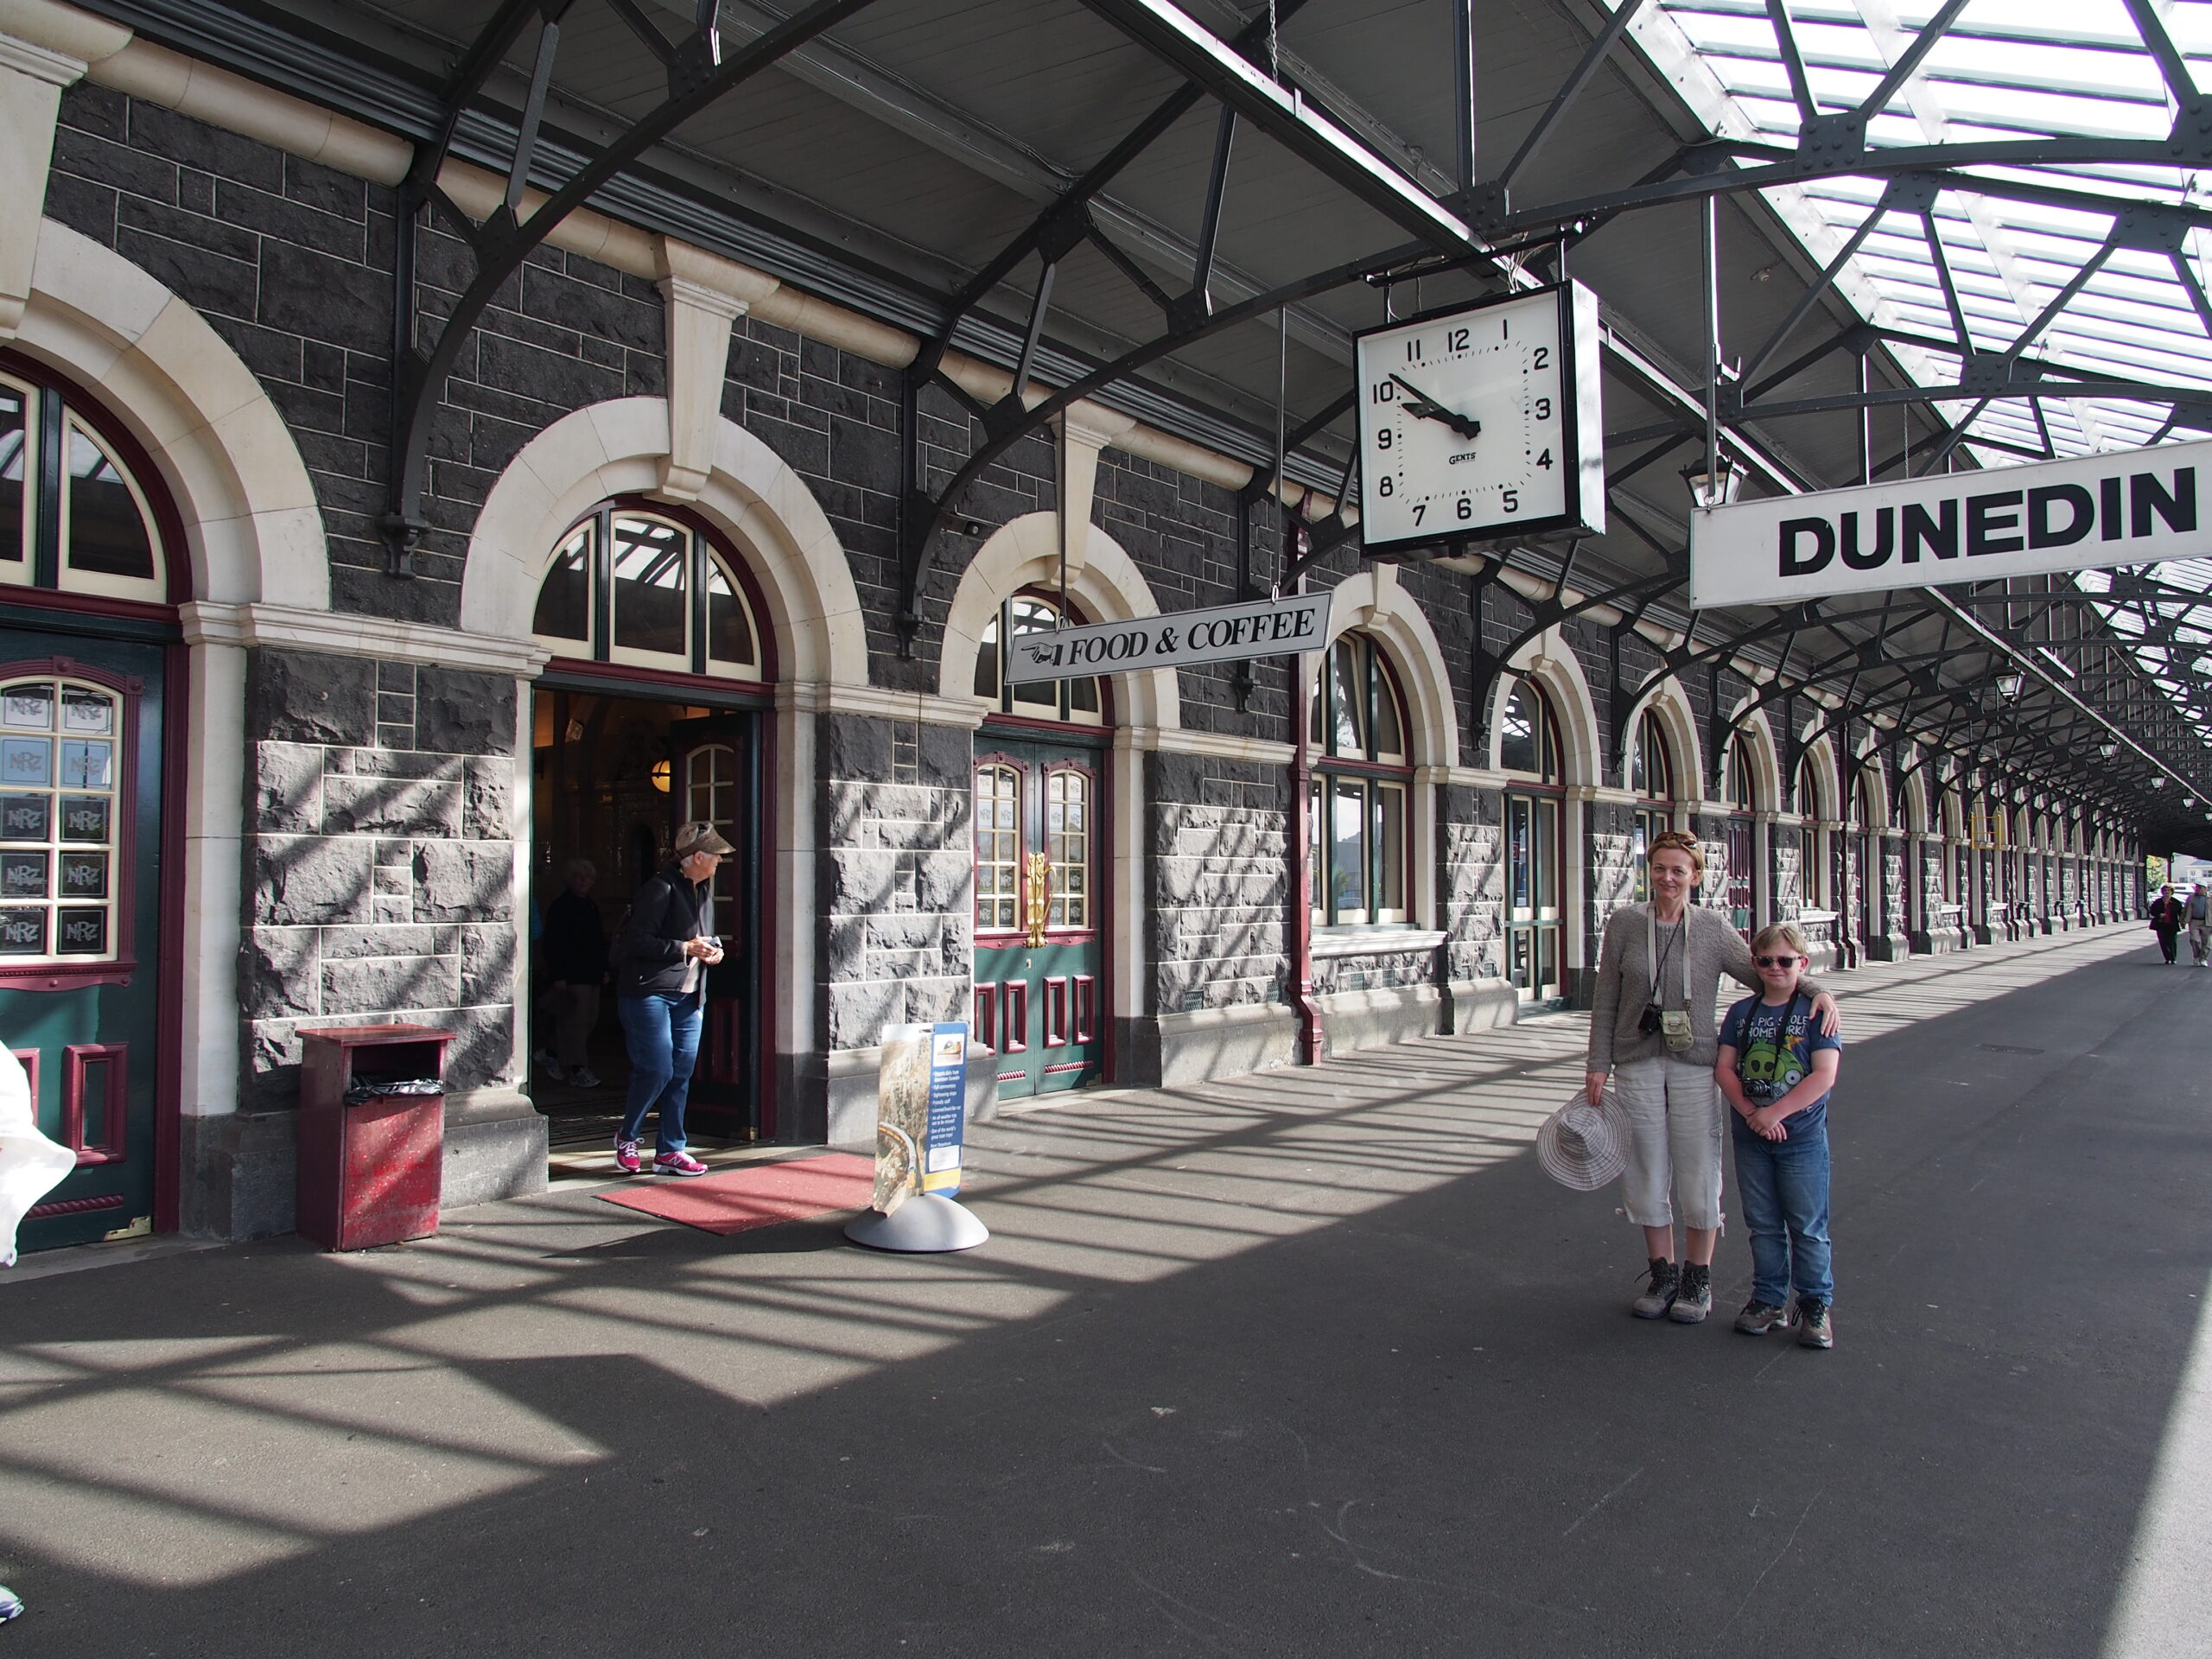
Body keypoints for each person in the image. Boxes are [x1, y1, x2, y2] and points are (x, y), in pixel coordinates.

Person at [1586, 830, 1840, 1325]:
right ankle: (1662, 1273)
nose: (1668, 878)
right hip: (1635, 1060)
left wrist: (1816, 990)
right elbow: (1606, 998)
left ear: (1696, 876)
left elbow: (1764, 970)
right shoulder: (1624, 924)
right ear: (1649, 871)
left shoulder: (1712, 927)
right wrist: (1598, 1062)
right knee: (1645, 1166)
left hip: (1695, 1062)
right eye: (1660, 868)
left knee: (1698, 1165)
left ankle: (1697, 1278)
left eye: (1678, 870)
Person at [1716, 922, 1842, 1350]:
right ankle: (1769, 1299)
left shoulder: (1815, 1012)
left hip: (1801, 1138)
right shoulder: (1741, 1013)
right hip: (1751, 1136)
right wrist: (1753, 1113)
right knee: (1763, 1224)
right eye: (1765, 960)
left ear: (1802, 964)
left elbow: (1824, 1075)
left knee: (1807, 1225)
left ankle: (1815, 1303)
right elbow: (1724, 1068)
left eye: (1785, 961)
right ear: (1754, 964)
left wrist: (1775, 1113)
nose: (1775, 968)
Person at [612, 822, 733, 1176]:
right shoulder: (659, 888)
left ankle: (670, 1150)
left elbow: (702, 939)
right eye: (714, 855)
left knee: (681, 1073)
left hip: (690, 997)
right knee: (657, 1069)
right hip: (650, 993)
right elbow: (637, 940)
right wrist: (684, 948)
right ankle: (627, 1137)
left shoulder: (703, 891)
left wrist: (714, 951)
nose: (719, 861)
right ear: (696, 857)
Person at [537, 859, 608, 1086]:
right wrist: (558, 975)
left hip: (591, 973)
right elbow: (554, 943)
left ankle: (551, 1053)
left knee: (588, 1020)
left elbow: (598, 940)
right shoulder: (561, 906)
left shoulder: (591, 905)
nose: (584, 882)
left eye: (588, 878)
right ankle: (578, 1070)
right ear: (570, 880)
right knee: (574, 1024)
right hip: (572, 975)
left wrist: (603, 968)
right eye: (579, 877)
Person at [2149, 883, 2183, 965]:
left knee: (2172, 942)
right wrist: (2159, 915)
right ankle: (2167, 958)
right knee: (2163, 942)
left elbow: (2181, 913)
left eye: (2169, 890)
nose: (2167, 892)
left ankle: (2173, 958)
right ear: (2162, 892)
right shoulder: (2158, 902)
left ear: (2172, 892)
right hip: (2161, 925)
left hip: (2172, 925)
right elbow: (2152, 911)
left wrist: (2183, 922)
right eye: (2165, 890)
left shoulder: (2176, 902)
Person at [2188, 883, 2210, 968]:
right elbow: (2186, 909)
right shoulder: (2191, 897)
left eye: (2200, 887)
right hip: (2194, 921)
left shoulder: (2210, 897)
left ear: (2205, 889)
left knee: (2207, 942)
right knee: (2194, 939)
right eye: (2197, 887)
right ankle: (2197, 956)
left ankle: (2203, 959)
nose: (2198, 889)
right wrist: (2183, 920)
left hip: (2207, 922)